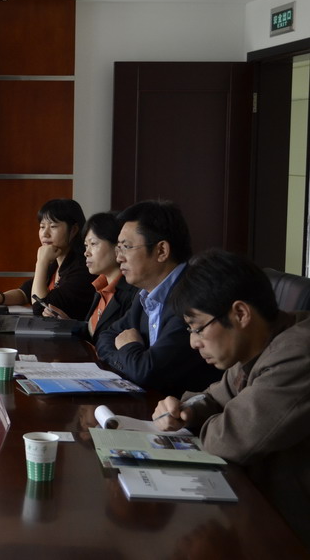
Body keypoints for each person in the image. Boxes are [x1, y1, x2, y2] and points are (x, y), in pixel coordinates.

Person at [152, 249, 310, 547]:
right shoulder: (255, 346)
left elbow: (230, 439)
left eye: (198, 328)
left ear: (240, 314)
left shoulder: (298, 351)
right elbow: (214, 397)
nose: (193, 342)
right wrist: (186, 410)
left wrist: (210, 417)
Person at [95, 200, 220, 396]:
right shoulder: (145, 295)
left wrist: (129, 347)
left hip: (188, 409)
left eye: (126, 247)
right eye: (118, 248)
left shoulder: (192, 294)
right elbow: (106, 337)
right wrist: (133, 359)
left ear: (161, 251)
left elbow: (147, 373)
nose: (119, 258)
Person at [0, 198, 95, 320]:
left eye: (53, 226)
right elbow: (25, 293)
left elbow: (39, 307)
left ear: (74, 230)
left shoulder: (83, 268)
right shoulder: (56, 263)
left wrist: (41, 262)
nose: (45, 234)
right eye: (42, 227)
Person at [43, 212, 138, 341]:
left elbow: (110, 341)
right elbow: (95, 334)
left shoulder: (132, 294)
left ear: (117, 247)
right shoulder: (100, 287)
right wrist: (68, 324)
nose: (86, 253)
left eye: (93, 244)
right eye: (86, 246)